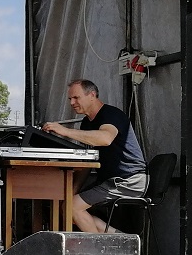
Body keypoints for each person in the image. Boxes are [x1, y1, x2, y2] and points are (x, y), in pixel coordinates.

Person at [42, 79, 147, 233]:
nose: (72, 103)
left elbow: (105, 138)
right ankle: (124, 240)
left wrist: (65, 131)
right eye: (70, 99)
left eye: (76, 97)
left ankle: (98, 247)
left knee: (73, 208)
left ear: (92, 95)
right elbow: (88, 162)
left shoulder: (111, 114)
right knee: (68, 208)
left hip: (129, 180)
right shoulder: (86, 123)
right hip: (109, 181)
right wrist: (71, 192)